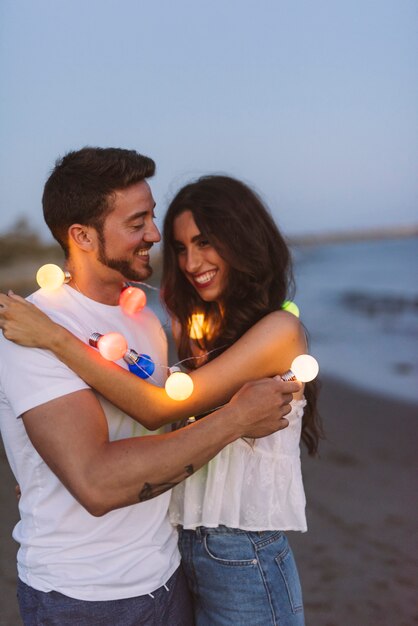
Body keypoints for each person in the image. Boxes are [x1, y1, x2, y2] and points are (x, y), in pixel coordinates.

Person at [0, 148, 300, 626]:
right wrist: (39, 467)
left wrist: (59, 344)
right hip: (88, 595)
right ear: (81, 235)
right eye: (138, 223)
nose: (156, 238)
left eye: (153, 219)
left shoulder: (145, 324)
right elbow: (96, 480)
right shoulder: (34, 326)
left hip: (174, 572)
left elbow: (158, 414)